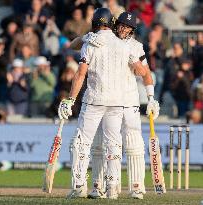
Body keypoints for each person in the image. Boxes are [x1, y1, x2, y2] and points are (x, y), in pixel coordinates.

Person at [58, 8, 148, 199]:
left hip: (94, 100)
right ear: (113, 23)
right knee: (113, 144)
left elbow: (80, 73)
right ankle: (112, 189)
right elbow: (142, 72)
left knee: (81, 143)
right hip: (117, 102)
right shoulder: (125, 44)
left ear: (94, 23)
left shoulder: (91, 42)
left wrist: (70, 100)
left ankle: (79, 186)